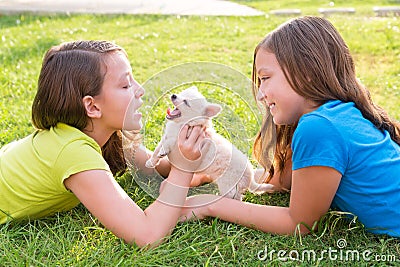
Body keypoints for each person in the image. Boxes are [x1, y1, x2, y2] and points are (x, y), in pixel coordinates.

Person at [181, 16, 400, 238]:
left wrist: (210, 204)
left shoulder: (319, 128)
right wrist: (215, 172)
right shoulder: (334, 114)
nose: (260, 93)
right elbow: (282, 180)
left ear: (305, 74)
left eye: (265, 78)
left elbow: (298, 223)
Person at [0, 40, 208, 247]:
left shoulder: (99, 135)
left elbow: (153, 166)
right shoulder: (73, 152)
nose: (140, 90)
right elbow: (147, 236)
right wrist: (184, 168)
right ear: (92, 106)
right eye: (126, 85)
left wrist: (195, 155)